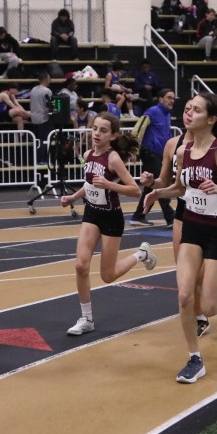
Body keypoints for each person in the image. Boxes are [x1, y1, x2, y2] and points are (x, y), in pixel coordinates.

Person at [143, 92, 217, 384]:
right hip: (191, 230)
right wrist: (157, 192)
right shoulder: (183, 151)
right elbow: (181, 189)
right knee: (184, 296)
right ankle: (195, 358)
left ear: (211, 119)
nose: (189, 113)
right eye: (188, 108)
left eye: (196, 110)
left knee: (209, 307)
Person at [60, 113, 156, 336]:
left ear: (112, 135)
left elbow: (135, 190)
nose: (96, 134)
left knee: (108, 275)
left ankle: (141, 254)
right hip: (92, 214)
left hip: (111, 217)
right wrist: (73, 197)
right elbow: (90, 184)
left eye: (103, 131)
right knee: (81, 265)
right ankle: (86, 318)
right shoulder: (88, 154)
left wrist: (109, 185)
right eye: (95, 129)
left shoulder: (113, 159)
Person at [131, 88, 176, 227]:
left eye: (173, 98)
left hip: (159, 154)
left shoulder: (167, 115)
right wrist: (134, 150)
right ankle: (170, 218)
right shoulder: (152, 112)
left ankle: (139, 216)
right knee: (161, 183)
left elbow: (166, 135)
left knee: (151, 186)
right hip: (149, 152)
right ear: (160, 99)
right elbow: (137, 130)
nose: (172, 100)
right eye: (169, 97)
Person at [28, 70, 53, 140]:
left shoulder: (33, 89)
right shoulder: (47, 91)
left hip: (34, 119)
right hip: (43, 120)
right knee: (44, 141)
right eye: (49, 79)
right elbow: (50, 106)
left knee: (37, 141)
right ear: (46, 79)